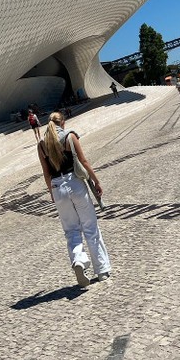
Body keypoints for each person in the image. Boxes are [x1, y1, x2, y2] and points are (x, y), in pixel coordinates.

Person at [37, 112, 111, 287]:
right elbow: (84, 161)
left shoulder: (42, 145)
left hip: (57, 187)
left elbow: (46, 173)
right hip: (75, 183)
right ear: (62, 122)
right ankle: (102, 270)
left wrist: (51, 192)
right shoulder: (70, 136)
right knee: (90, 226)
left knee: (71, 230)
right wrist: (96, 181)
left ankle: (78, 260)